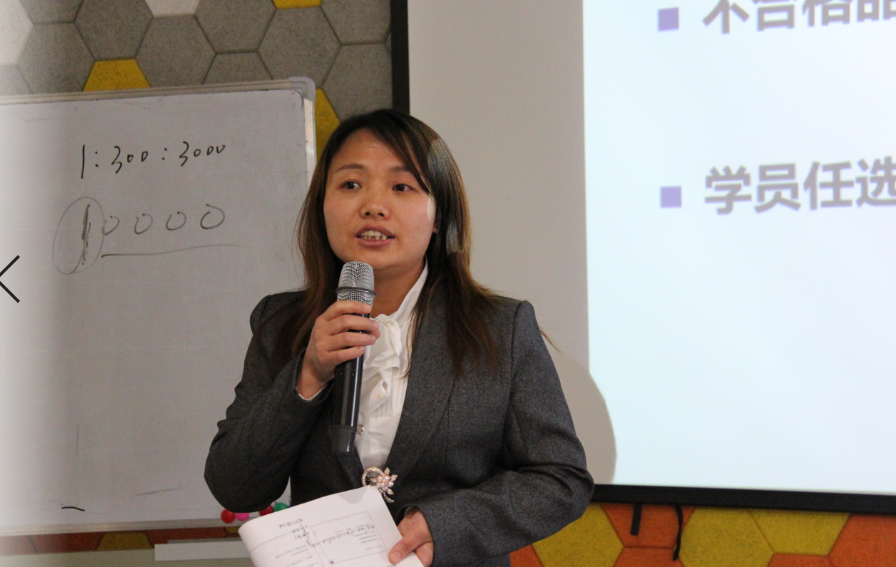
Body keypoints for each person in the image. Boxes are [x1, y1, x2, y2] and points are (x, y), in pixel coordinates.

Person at [205, 109, 593, 567]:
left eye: (402, 186)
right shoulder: (281, 323)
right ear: (322, 206)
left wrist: (445, 523)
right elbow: (236, 487)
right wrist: (308, 375)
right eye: (351, 184)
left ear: (438, 215)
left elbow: (560, 479)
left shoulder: (499, 328)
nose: (373, 205)